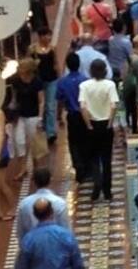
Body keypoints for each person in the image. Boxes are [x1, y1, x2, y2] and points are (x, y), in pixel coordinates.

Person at [77, 59, 120, 200]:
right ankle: (107, 191)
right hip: (105, 124)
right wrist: (110, 122)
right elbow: (114, 105)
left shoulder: (84, 85)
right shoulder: (110, 85)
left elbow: (82, 106)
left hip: (91, 124)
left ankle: (96, 183)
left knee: (93, 157)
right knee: (107, 159)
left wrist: (88, 124)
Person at [52, 53, 90, 181]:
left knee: (73, 142)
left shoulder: (62, 82)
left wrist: (58, 116)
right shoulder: (85, 80)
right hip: (84, 115)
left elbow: (60, 101)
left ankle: (78, 165)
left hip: (72, 116)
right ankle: (86, 165)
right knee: (85, 139)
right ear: (78, 64)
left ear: (67, 65)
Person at [16, 199, 85, 269]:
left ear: (34, 214)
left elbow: (22, 266)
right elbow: (77, 263)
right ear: (52, 212)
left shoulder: (28, 239)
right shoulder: (65, 234)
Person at [7, 59, 47, 167]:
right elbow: (14, 97)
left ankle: (37, 166)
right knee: (19, 141)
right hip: (20, 115)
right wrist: (12, 110)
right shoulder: (16, 80)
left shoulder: (37, 82)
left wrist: (40, 117)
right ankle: (22, 167)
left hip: (33, 115)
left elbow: (41, 101)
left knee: (34, 142)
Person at [16, 167, 70, 237]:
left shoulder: (24, 204)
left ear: (34, 181)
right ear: (50, 180)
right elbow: (66, 229)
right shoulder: (60, 203)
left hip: (33, 244)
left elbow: (21, 231)